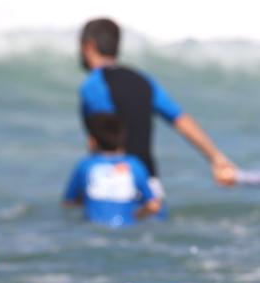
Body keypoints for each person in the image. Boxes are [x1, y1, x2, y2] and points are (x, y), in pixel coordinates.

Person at [79, 18, 237, 201]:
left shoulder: (93, 85)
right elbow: (180, 120)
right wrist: (217, 158)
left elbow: (103, 136)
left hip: (115, 184)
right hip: (150, 183)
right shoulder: (143, 81)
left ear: (88, 46)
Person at [63, 114, 161, 227]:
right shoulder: (134, 165)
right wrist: (134, 217)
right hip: (126, 230)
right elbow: (153, 206)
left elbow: (68, 203)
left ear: (92, 141)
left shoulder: (86, 165)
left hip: (94, 232)